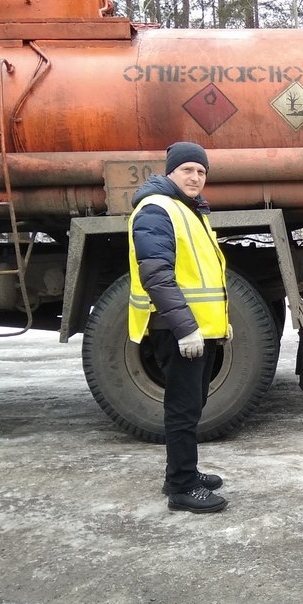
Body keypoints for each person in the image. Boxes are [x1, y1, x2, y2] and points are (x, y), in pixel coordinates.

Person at [128, 141, 231, 513]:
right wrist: (186, 327)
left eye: (201, 171)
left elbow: (202, 274)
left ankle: (182, 472)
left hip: (198, 329)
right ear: (170, 172)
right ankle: (182, 488)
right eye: (188, 169)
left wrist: (219, 325)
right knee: (183, 408)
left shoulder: (190, 210)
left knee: (193, 403)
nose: (196, 177)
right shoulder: (157, 210)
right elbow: (156, 274)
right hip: (176, 329)